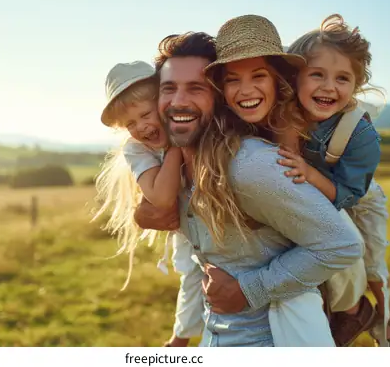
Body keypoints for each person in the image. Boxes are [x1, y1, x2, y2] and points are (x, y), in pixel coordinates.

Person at [133, 30, 365, 347]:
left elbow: (342, 244)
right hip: (218, 335)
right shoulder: (178, 164)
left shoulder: (248, 163)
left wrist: (248, 290)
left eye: (196, 88)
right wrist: (143, 212)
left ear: (217, 98)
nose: (179, 101)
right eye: (169, 88)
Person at [277, 14, 390, 347]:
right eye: (316, 74)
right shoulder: (283, 112)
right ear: (296, 77)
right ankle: (337, 308)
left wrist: (310, 173)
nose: (329, 86)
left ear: (355, 85)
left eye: (343, 78)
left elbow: (349, 194)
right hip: (313, 190)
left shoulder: (360, 134)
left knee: (370, 256)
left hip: (358, 195)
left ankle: (383, 313)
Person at [92, 61, 205, 343]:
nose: (140, 127)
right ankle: (180, 340)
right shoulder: (137, 148)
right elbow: (161, 197)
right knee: (191, 275)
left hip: (219, 222)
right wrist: (177, 149)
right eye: (130, 123)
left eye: (145, 114)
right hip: (189, 229)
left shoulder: (196, 123)